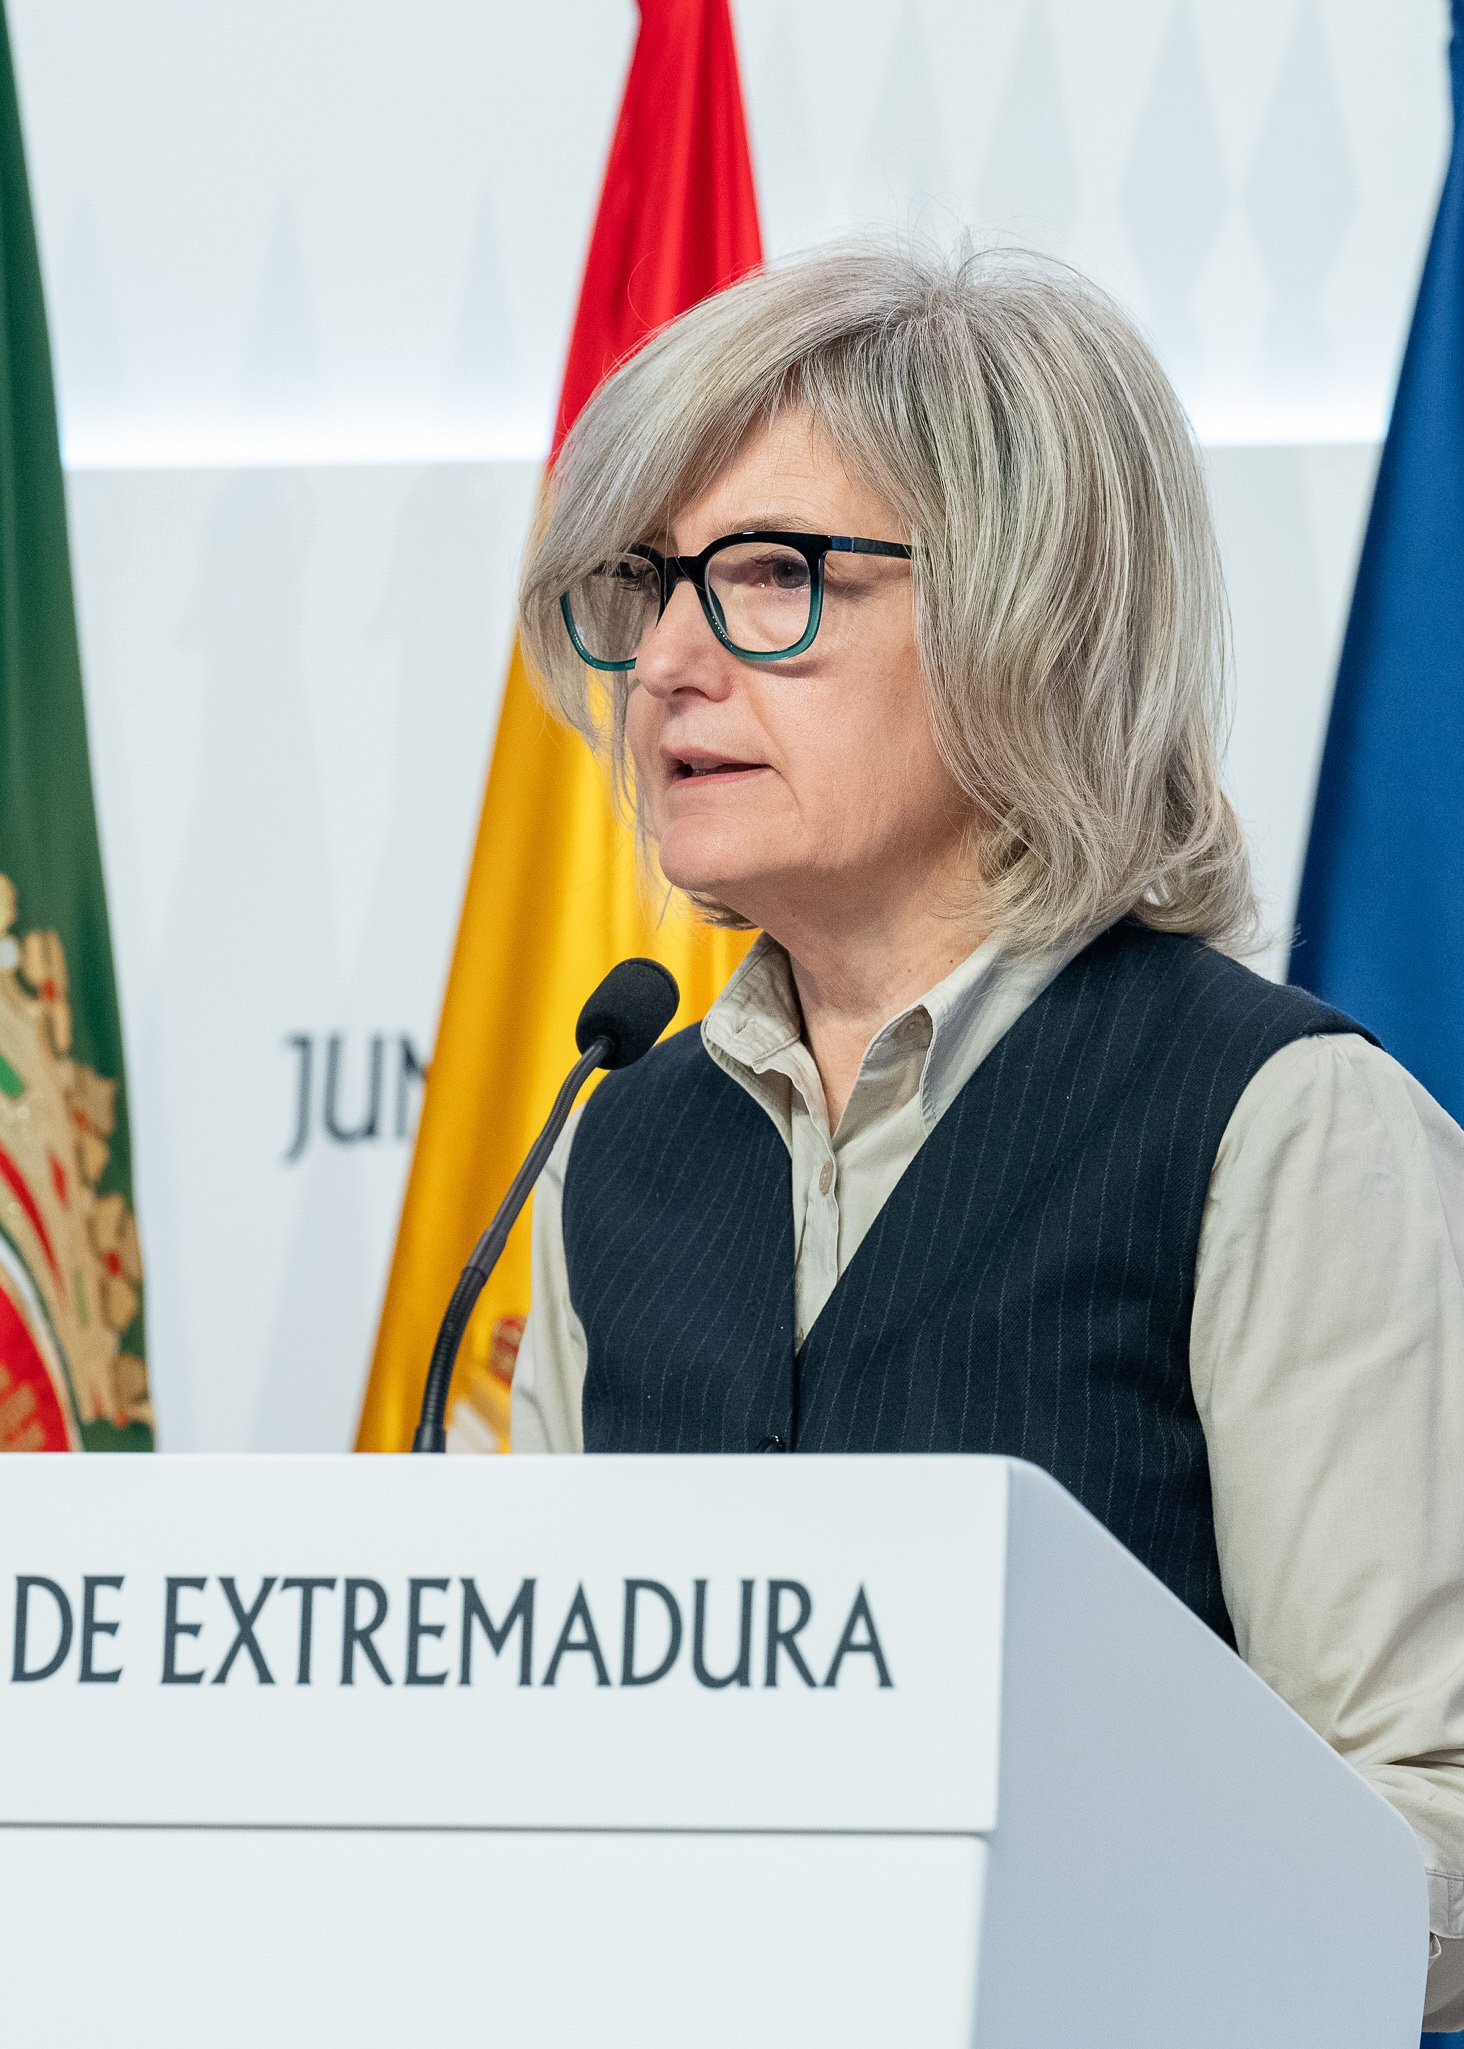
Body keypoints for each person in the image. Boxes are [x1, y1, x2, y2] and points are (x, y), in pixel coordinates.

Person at [508, 241, 1464, 2028]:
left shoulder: (1272, 1129)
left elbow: (1440, 1827)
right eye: (646, 587)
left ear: (1034, 614)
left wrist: (1038, 1913)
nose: (674, 663)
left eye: (775, 577)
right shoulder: (610, 1150)